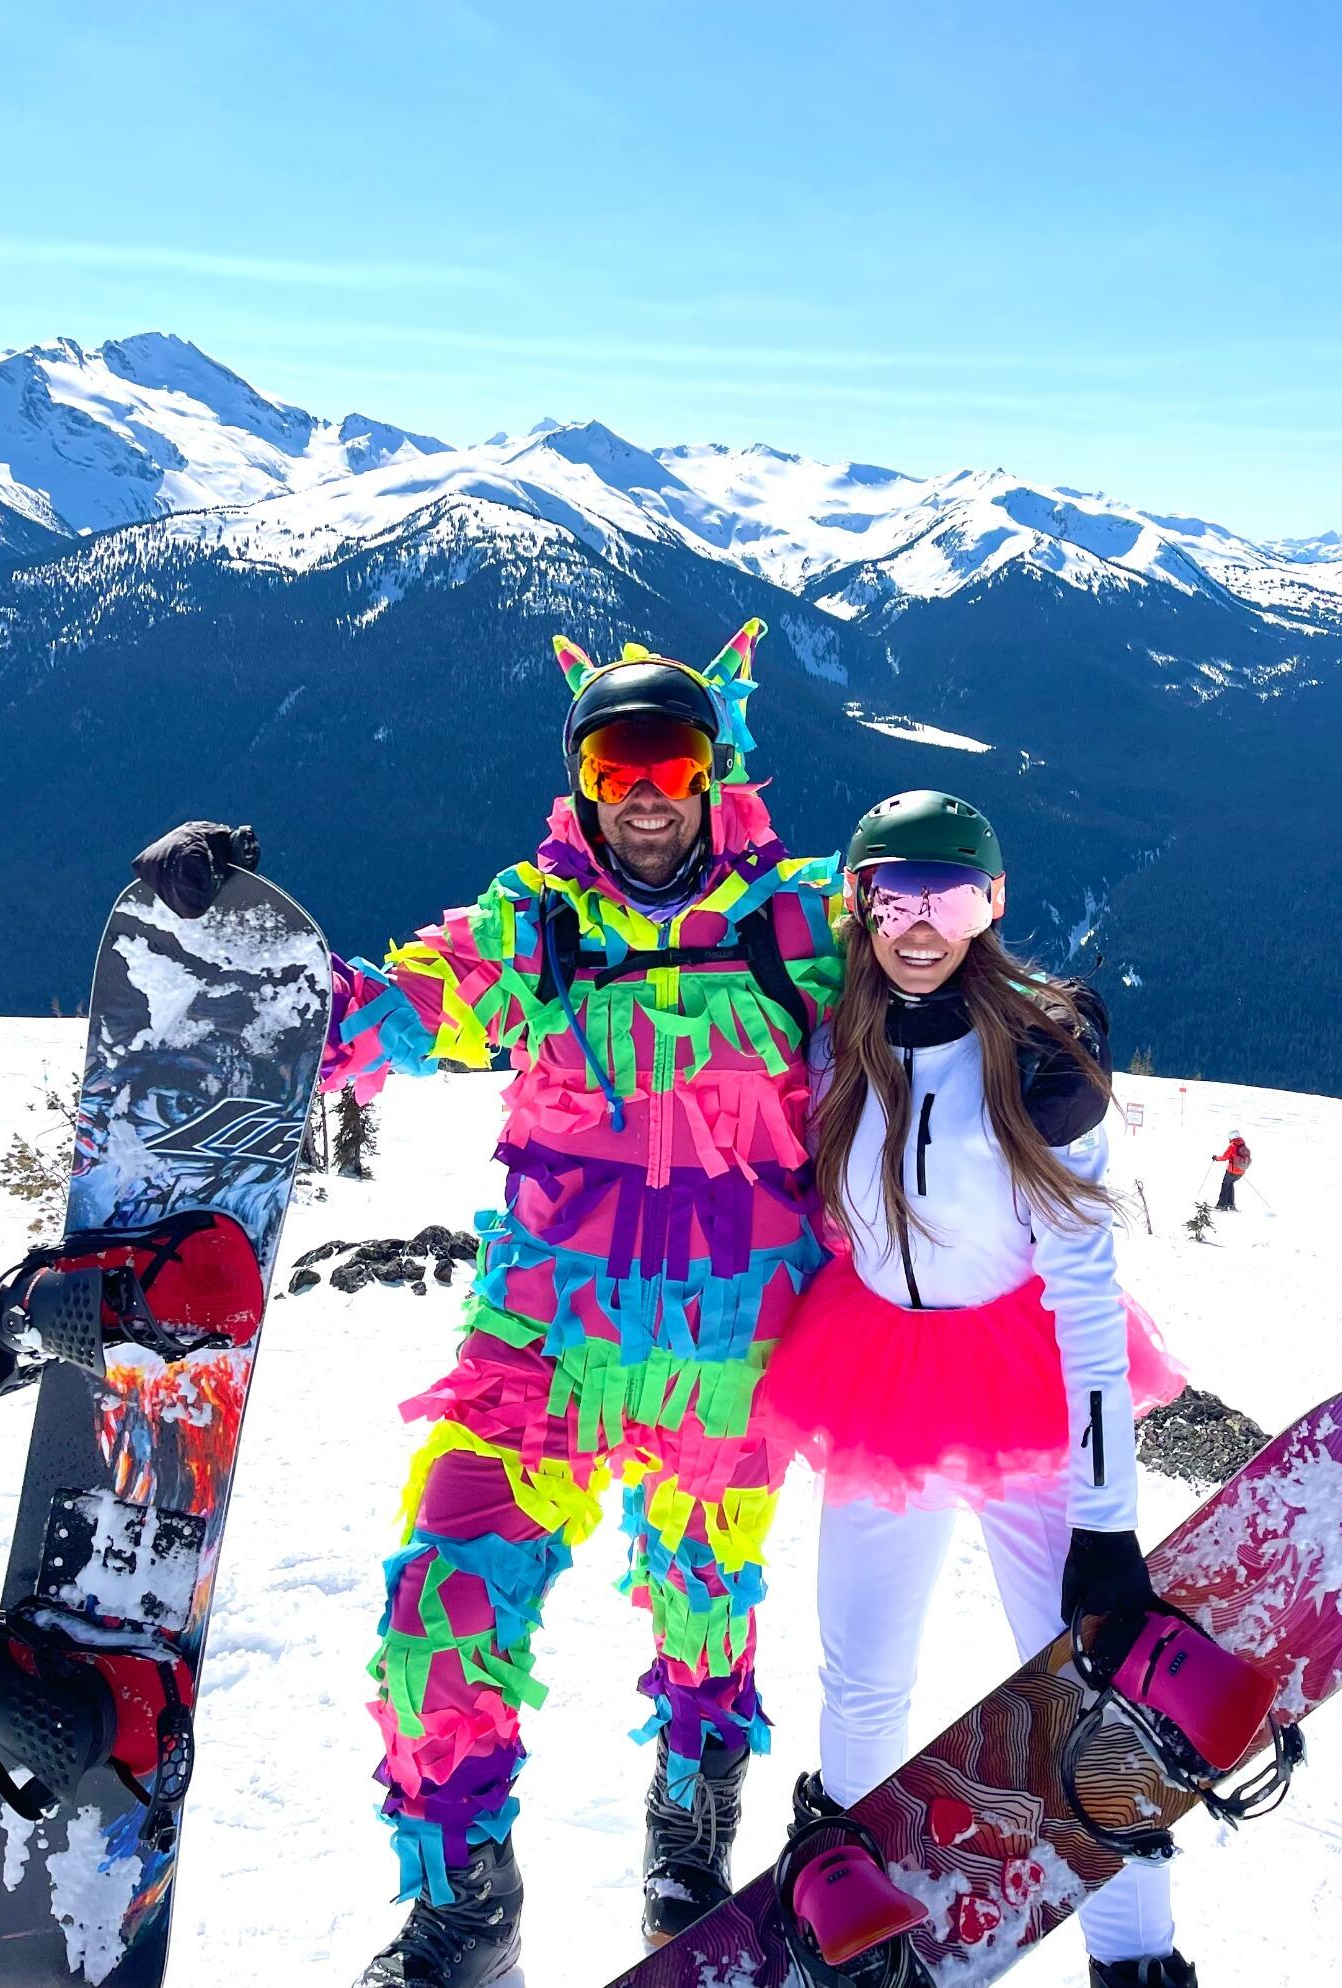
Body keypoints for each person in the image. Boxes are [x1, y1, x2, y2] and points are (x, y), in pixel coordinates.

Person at [137, 621, 842, 1988]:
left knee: (707, 1613)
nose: (644, 787)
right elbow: (386, 1014)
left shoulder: (803, 926)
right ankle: (467, 1912)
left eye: (671, 756)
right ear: (581, 780)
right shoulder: (538, 925)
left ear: (714, 770)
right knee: (441, 1615)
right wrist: (232, 951)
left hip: (726, 1364)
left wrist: (1042, 1049)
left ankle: (684, 1846)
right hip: (542, 1359)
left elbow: (940, 992)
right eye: (614, 758)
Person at [758, 790, 1196, 1988]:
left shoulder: (1040, 1056)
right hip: (877, 1368)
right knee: (861, 1668)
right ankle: (850, 1911)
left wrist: (1108, 1521)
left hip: (1022, 1381)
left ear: (993, 904)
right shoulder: (832, 1031)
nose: (916, 923)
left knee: (1085, 1682)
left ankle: (1137, 1960)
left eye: (947, 894)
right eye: (889, 895)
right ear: (857, 905)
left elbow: (1093, 1304)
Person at [1214, 1131, 1251, 1213]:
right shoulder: (1244, 1146)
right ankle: (1230, 1205)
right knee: (1230, 1184)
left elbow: (1224, 1157)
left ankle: (1221, 1205)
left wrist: (1216, 1158)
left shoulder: (1232, 1146)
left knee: (1225, 1186)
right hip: (1240, 1172)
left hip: (1231, 1171)